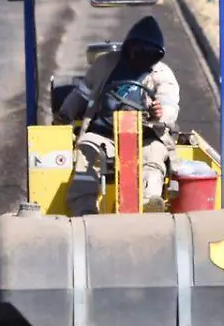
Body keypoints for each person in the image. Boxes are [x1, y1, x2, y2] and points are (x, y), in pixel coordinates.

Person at [58, 15, 180, 215]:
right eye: (138, 49)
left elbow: (169, 104)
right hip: (103, 133)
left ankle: (149, 202)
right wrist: (65, 113)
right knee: (86, 150)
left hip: (146, 135)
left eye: (148, 52)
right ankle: (83, 209)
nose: (141, 55)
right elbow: (82, 93)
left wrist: (160, 113)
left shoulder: (162, 75)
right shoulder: (105, 64)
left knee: (154, 154)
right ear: (128, 46)